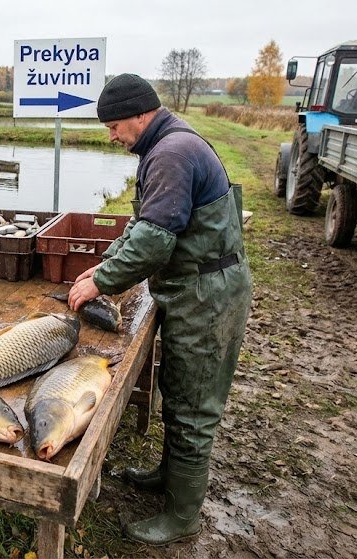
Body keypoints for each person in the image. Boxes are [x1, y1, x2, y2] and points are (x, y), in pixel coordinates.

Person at [67, 74, 253, 546]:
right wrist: (103, 267)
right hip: (196, 288)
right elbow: (143, 222)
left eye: (113, 126)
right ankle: (168, 477)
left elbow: (153, 240)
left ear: (140, 114)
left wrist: (103, 283)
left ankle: (182, 518)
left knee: (194, 407)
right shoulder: (168, 143)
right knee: (178, 386)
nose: (111, 136)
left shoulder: (170, 154)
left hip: (207, 296)